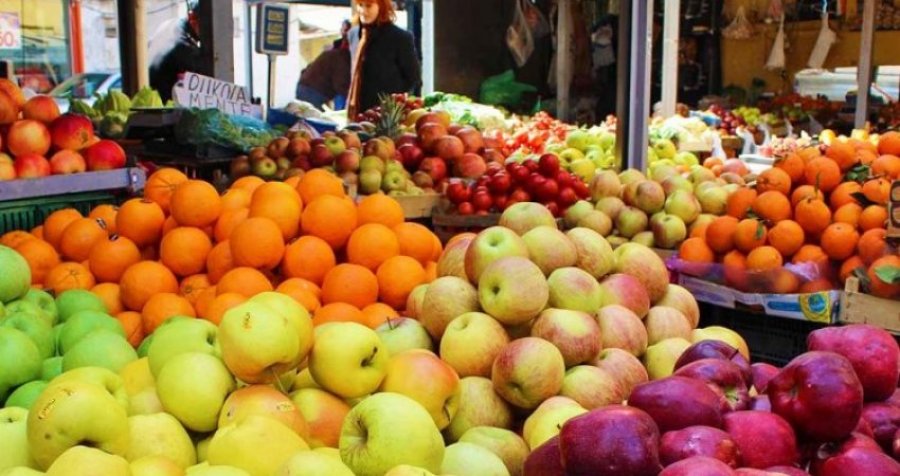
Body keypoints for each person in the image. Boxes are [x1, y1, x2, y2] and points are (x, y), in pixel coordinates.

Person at [347, 0, 421, 118]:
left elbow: (413, 77)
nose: (363, 11)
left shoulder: (399, 38)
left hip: (385, 113)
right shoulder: (353, 34)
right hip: (356, 112)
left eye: (369, 6)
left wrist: (390, 97)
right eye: (360, 5)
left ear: (381, 7)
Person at [148, 0, 203, 102]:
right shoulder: (186, 50)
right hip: (163, 109)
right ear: (192, 18)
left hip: (149, 100)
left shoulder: (170, 24)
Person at [295, 38, 351, 110]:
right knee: (314, 117)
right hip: (314, 92)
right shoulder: (341, 58)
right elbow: (341, 85)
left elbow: (305, 69)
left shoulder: (329, 54)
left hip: (305, 87)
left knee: (305, 115)